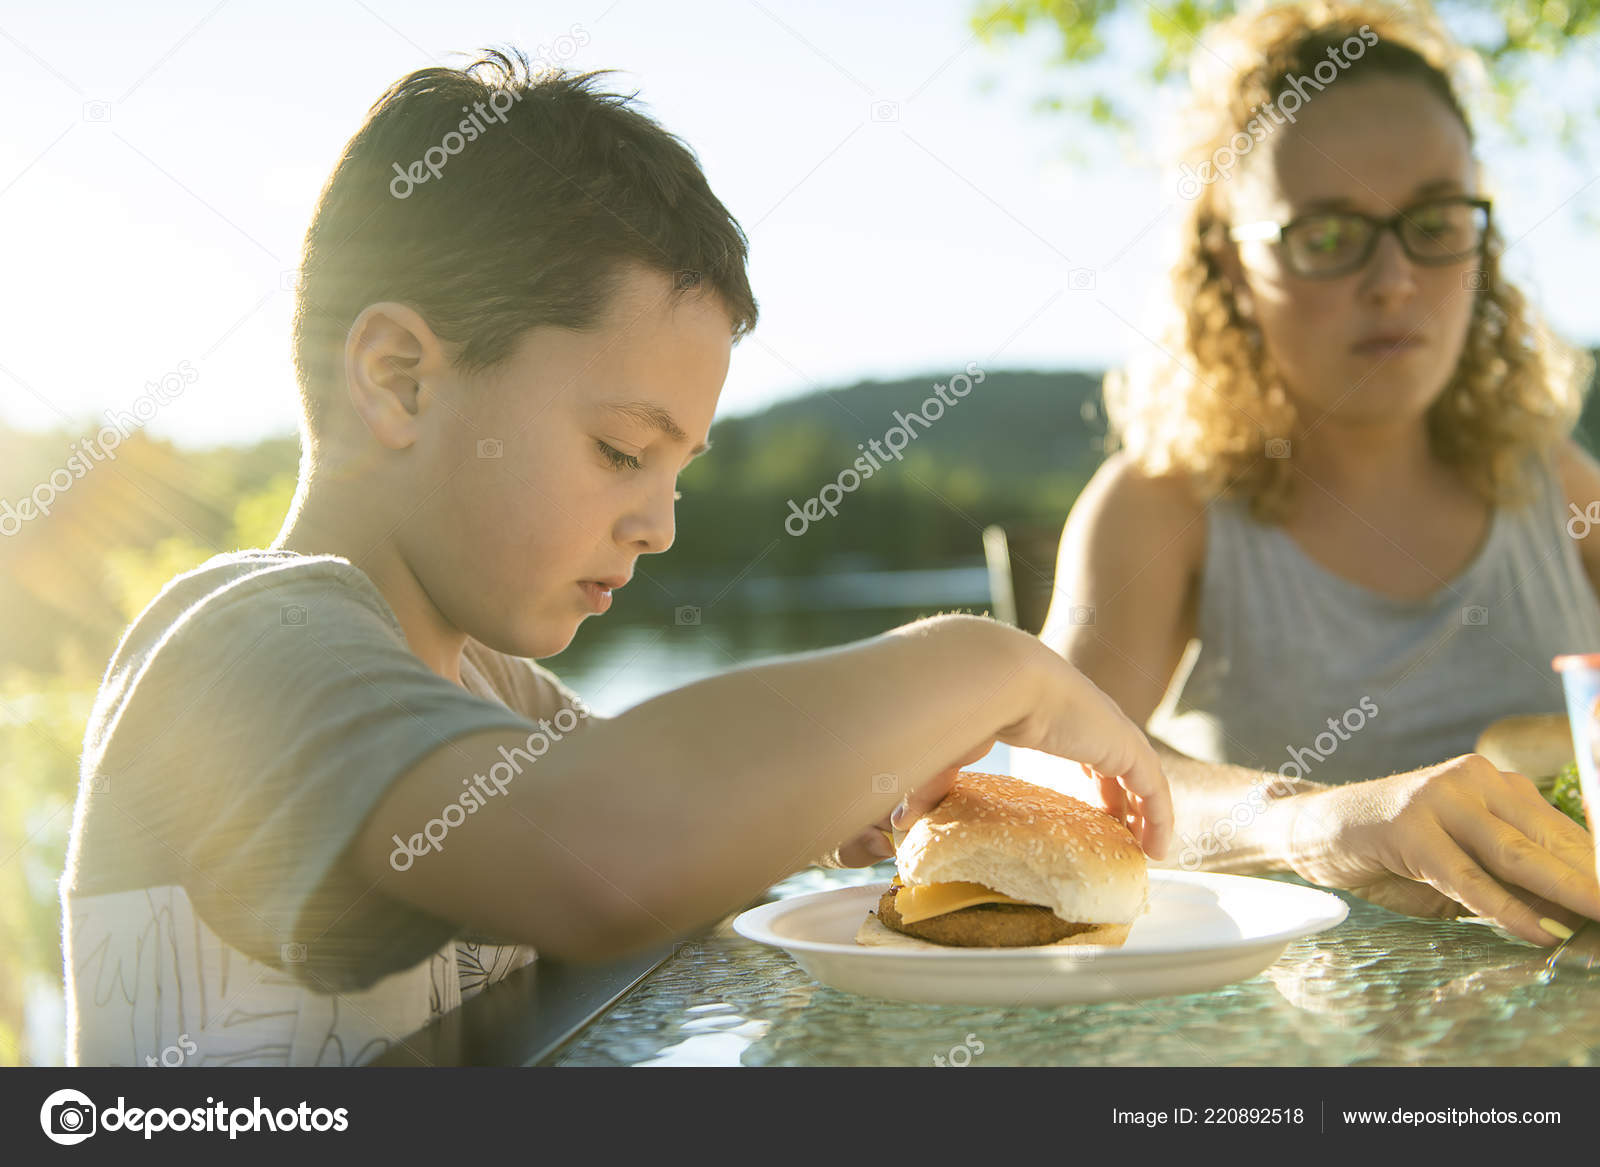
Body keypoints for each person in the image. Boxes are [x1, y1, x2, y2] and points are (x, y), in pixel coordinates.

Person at [58, 50, 1170, 1067]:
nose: (661, 525)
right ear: (400, 379)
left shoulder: (498, 695)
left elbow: (687, 836)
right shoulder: (248, 648)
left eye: (675, 470)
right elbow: (611, 855)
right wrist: (989, 665)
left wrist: (840, 799)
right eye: (620, 450)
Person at [1031, 3, 1600, 946]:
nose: (1394, 281)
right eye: (1329, 234)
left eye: (1434, 221)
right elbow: (1043, 764)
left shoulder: (1552, 481)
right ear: (1228, 263)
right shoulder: (1163, 505)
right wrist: (1302, 821)